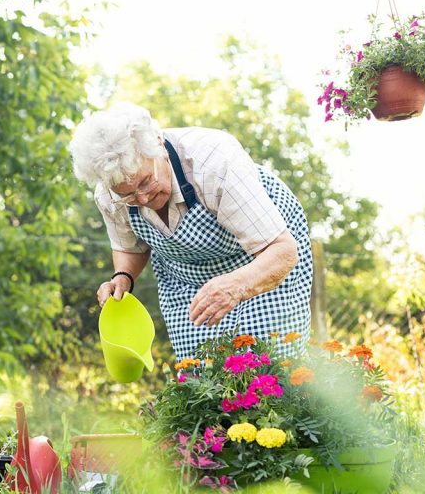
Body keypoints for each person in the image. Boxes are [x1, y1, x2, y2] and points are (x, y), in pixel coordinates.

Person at [69, 102, 313, 359]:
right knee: (201, 374)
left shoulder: (214, 163)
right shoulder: (109, 195)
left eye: (145, 182)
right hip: (187, 276)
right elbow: (129, 247)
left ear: (159, 147)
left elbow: (282, 251)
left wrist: (236, 285)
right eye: (128, 195)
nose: (141, 199)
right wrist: (123, 278)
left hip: (262, 257)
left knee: (268, 362)